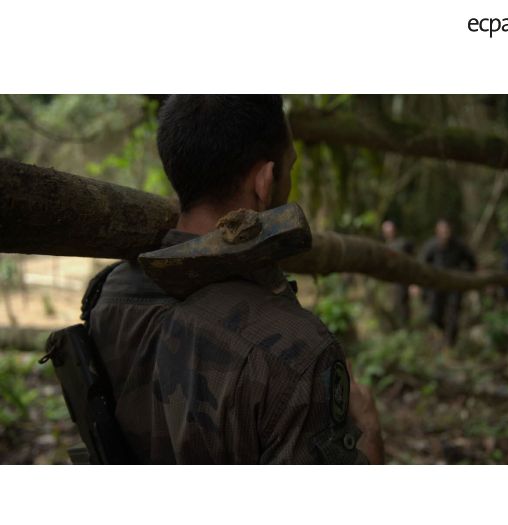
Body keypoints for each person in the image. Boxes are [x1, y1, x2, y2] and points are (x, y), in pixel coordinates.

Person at [84, 95, 384, 464]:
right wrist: (368, 428)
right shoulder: (299, 350)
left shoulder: (106, 297)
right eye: (288, 168)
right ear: (264, 181)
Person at [421, 219, 476, 346]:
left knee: (453, 314)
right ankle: (445, 331)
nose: (445, 233)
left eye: (447, 230)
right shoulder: (431, 246)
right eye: (442, 231)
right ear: (437, 232)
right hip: (437, 285)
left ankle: (450, 343)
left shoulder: (459, 245)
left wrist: (464, 274)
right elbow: (422, 265)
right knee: (434, 315)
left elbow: (471, 262)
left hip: (455, 285)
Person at [381, 219, 414, 327]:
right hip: (390, 281)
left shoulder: (403, 243)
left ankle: (405, 327)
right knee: (393, 304)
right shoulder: (383, 246)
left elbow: (412, 261)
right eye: (386, 231)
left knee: (403, 303)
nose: (389, 233)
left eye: (391, 230)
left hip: (402, 279)